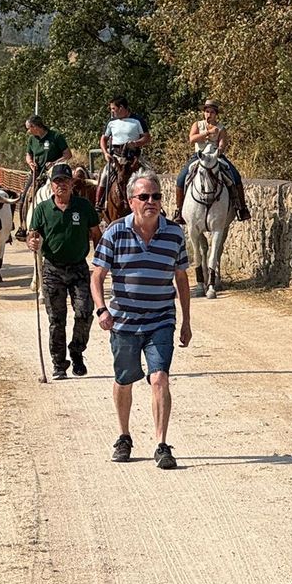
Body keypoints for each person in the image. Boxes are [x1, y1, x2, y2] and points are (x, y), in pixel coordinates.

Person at [90, 172, 192, 470]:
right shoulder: (115, 232)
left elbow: (182, 278)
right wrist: (101, 310)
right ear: (131, 201)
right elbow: (97, 276)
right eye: (144, 197)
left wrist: (186, 321)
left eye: (156, 196)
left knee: (159, 378)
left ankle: (161, 444)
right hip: (124, 322)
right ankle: (124, 436)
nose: (151, 202)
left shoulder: (174, 234)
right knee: (124, 380)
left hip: (161, 319)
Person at [27, 161, 101, 380]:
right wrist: (32, 242)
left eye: (65, 181)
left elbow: (96, 234)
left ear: (72, 184)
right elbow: (33, 235)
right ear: (51, 185)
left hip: (79, 268)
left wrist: (100, 261)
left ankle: (76, 351)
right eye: (57, 181)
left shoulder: (83, 206)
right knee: (56, 319)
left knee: (84, 312)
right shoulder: (42, 209)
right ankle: (59, 364)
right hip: (53, 270)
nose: (62, 185)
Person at [173, 98, 251, 223]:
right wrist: (208, 132)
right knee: (181, 178)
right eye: (207, 111)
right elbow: (192, 139)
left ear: (216, 114)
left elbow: (222, 144)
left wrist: (218, 150)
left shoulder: (221, 128)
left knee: (235, 176)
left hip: (216, 156)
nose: (209, 114)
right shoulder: (197, 125)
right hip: (199, 155)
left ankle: (242, 207)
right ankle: (179, 209)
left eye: (212, 112)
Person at [19, 114, 71, 239]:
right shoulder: (32, 139)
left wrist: (54, 162)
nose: (28, 131)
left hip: (56, 172)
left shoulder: (56, 136)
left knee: (71, 190)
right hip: (37, 173)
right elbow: (28, 155)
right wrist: (30, 163)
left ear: (35, 127)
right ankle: (23, 227)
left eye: (29, 128)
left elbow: (68, 154)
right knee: (24, 196)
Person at [95, 96, 150, 211]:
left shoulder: (137, 120)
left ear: (121, 107)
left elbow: (147, 138)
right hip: (116, 157)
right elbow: (103, 139)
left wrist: (135, 143)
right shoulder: (111, 122)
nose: (112, 111)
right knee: (105, 175)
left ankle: (155, 203)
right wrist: (105, 153)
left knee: (150, 175)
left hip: (134, 157)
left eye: (113, 108)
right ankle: (99, 202)